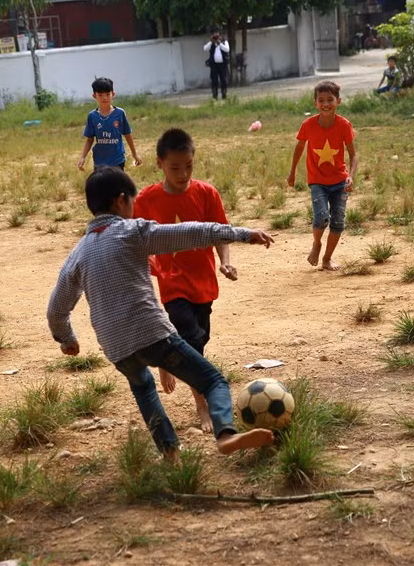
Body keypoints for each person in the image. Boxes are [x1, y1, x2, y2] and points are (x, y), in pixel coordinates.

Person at [46, 166, 275, 458]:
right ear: (121, 201)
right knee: (212, 381)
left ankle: (170, 451)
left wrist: (66, 338)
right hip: (152, 334)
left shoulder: (77, 253)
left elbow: (56, 308)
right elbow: (193, 232)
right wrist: (244, 234)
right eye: (132, 200)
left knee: (143, 389)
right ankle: (226, 435)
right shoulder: (134, 232)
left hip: (116, 347)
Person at [133, 128, 237, 434]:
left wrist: (226, 263)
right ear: (160, 164)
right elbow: (133, 235)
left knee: (200, 340)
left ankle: (169, 359)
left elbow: (222, 232)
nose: (182, 173)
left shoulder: (207, 193)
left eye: (188, 166)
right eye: (174, 167)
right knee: (192, 339)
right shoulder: (147, 199)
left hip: (203, 282)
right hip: (171, 282)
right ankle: (202, 404)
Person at [287, 81, 358, 271]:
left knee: (338, 223)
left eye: (330, 100)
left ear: (338, 101)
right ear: (315, 103)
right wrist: (292, 171)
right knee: (321, 217)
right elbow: (299, 148)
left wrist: (350, 176)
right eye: (321, 100)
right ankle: (316, 243)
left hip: (340, 181)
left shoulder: (344, 125)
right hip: (317, 181)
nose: (326, 104)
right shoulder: (308, 125)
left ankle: (327, 259)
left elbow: (353, 154)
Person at [77, 77, 142, 171]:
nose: (105, 98)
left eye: (108, 94)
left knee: (117, 185)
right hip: (99, 161)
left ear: (113, 94)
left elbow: (127, 134)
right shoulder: (92, 116)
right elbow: (89, 139)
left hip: (117, 160)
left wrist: (135, 154)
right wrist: (83, 157)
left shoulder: (120, 113)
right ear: (94, 96)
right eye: (100, 95)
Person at [203, 32, 230, 100]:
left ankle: (224, 95)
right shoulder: (211, 43)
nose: (216, 38)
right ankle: (215, 96)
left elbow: (227, 49)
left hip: (223, 65)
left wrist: (219, 43)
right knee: (214, 80)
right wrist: (211, 41)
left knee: (223, 80)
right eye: (215, 36)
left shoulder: (224, 42)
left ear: (221, 36)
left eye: (218, 36)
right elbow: (205, 49)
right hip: (214, 65)